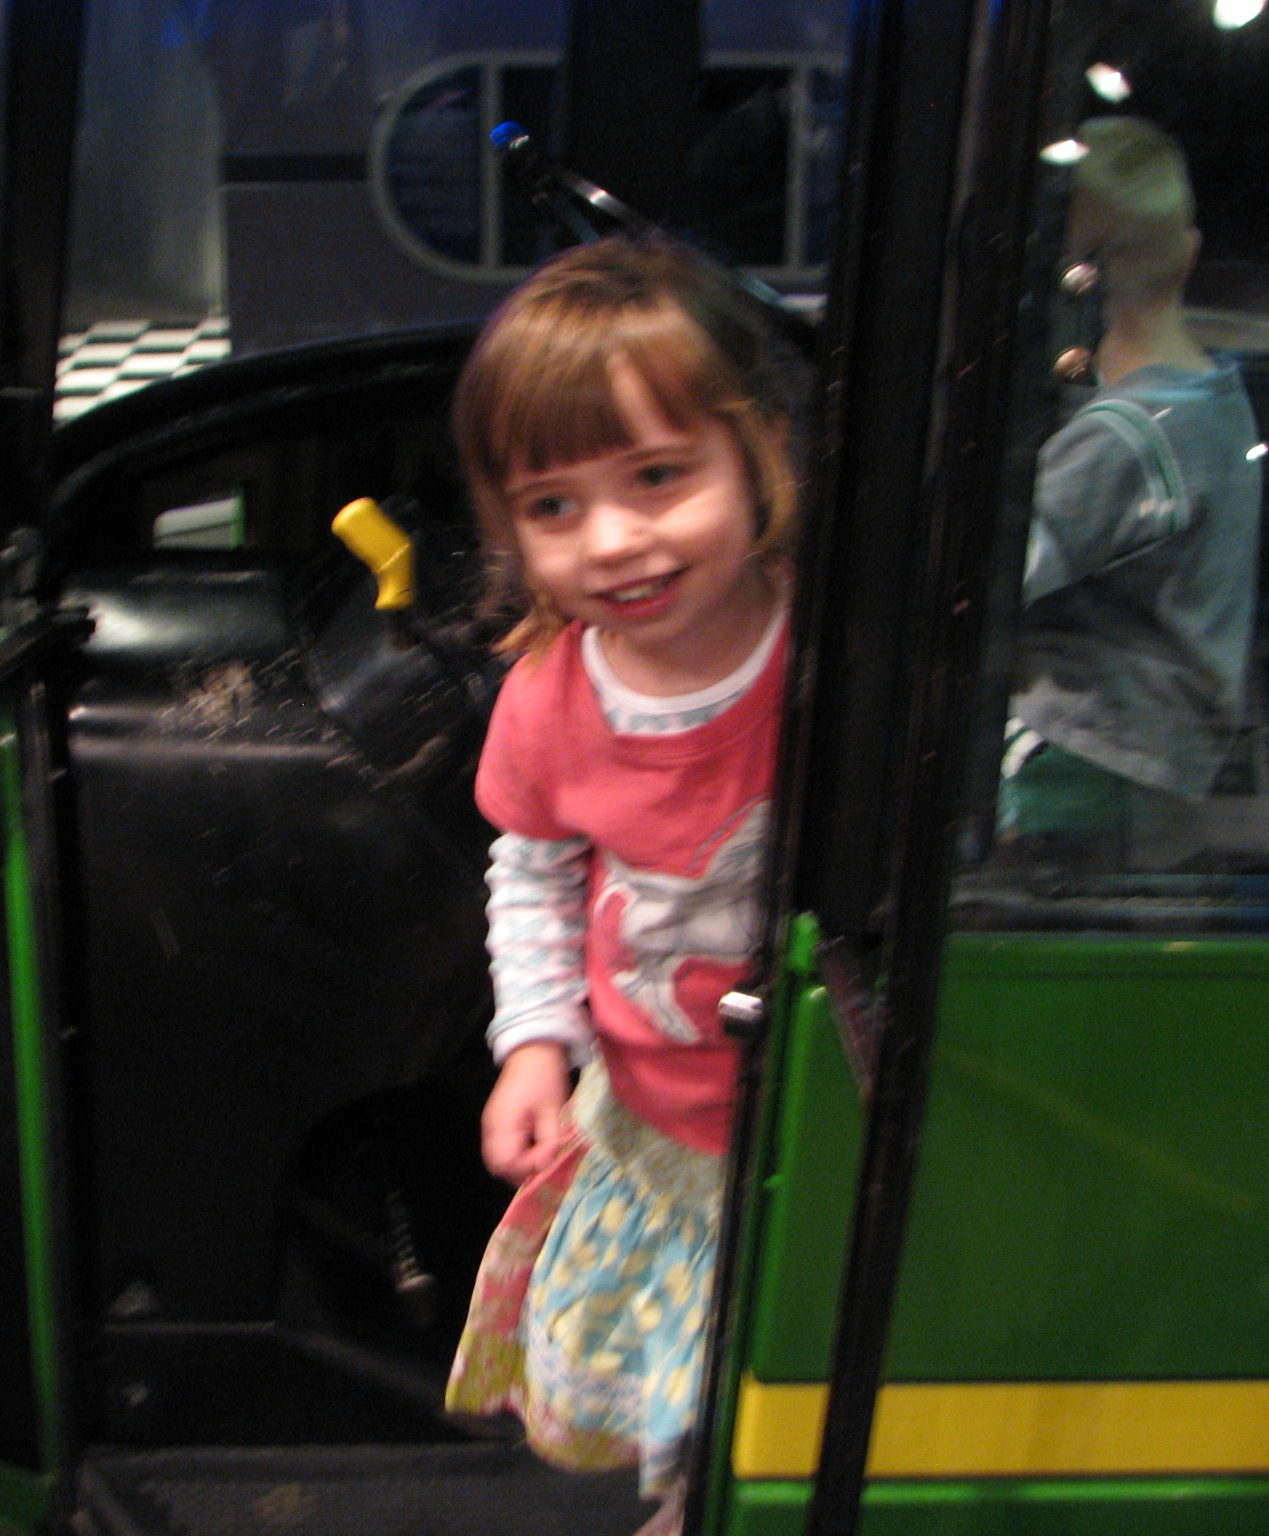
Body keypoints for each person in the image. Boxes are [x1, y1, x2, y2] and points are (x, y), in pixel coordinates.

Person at [441, 236, 800, 1534]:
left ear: (757, 453)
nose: (614, 541)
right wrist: (536, 1044)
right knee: (682, 1368)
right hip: (653, 1128)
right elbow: (532, 874)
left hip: (811, 1123)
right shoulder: (549, 699)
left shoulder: (830, 656)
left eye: (658, 476)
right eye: (553, 506)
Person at [1002, 117, 1262, 872]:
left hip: (1083, 759)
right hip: (1159, 764)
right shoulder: (1216, 403)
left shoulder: (1125, 437)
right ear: (1190, 250)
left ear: (1075, 279)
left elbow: (991, 577)